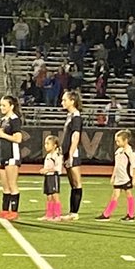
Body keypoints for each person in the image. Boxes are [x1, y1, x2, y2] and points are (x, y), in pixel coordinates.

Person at [96, 129, 135, 221]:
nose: (117, 143)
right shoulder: (118, 151)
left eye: (118, 141)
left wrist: (134, 178)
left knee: (129, 195)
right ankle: (106, 214)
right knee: (115, 195)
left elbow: (134, 166)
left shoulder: (130, 151)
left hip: (126, 177)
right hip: (119, 177)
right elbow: (116, 165)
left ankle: (131, 215)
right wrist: (113, 176)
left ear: (125, 140)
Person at [0, 95, 23, 219]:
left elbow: (18, 138)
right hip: (4, 154)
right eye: (0, 105)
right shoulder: (3, 119)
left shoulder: (14, 119)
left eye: (4, 105)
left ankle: (14, 211)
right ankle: (5, 210)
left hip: (12, 154)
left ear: (11, 106)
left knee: (12, 184)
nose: (1, 107)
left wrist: (2, 134)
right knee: (5, 185)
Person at [60, 90, 84, 220]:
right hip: (67, 152)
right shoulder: (70, 116)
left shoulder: (76, 117)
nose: (62, 102)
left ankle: (74, 212)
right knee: (72, 183)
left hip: (72, 152)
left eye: (65, 100)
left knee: (76, 182)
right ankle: (72, 211)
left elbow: (76, 136)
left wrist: (70, 153)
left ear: (72, 101)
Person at [38, 135, 64, 221]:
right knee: (49, 196)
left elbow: (58, 169)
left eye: (48, 144)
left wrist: (47, 170)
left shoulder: (57, 155)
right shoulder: (48, 155)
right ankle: (49, 214)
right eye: (45, 144)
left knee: (55, 196)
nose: (46, 146)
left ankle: (57, 215)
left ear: (54, 145)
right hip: (48, 177)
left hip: (54, 176)